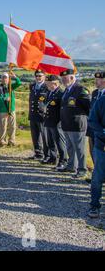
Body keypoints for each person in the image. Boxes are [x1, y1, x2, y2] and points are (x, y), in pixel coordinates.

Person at [60, 70, 91, 179]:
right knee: (70, 147)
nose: (63, 80)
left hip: (77, 125)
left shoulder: (80, 89)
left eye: (65, 78)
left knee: (79, 149)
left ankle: (82, 169)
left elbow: (88, 107)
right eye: (62, 79)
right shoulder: (66, 90)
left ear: (72, 78)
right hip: (67, 124)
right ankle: (71, 166)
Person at [41, 75, 68, 169]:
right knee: (50, 142)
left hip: (57, 122)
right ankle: (52, 158)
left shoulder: (60, 93)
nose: (47, 85)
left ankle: (63, 161)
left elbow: (62, 109)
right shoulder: (50, 92)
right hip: (48, 120)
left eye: (49, 84)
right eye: (46, 83)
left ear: (55, 84)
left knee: (60, 143)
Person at [88, 79, 105, 218]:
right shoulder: (101, 101)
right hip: (102, 146)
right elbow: (92, 121)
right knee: (98, 177)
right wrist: (103, 132)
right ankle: (94, 205)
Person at [0, 71, 22, 147]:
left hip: (11, 109)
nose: (4, 79)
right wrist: (4, 98)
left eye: (6, 78)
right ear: (1, 79)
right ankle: (2, 141)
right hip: (2, 110)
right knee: (2, 126)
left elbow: (19, 83)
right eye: (3, 77)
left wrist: (15, 76)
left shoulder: (11, 86)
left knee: (12, 126)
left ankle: (12, 141)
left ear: (9, 79)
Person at [29, 70, 49, 161]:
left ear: (44, 76)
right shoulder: (32, 86)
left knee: (44, 137)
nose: (38, 77)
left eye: (40, 76)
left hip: (42, 116)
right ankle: (38, 153)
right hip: (33, 115)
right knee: (35, 136)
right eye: (37, 75)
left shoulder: (47, 87)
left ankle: (47, 155)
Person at [87, 71, 105, 166]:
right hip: (92, 129)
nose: (96, 82)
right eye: (95, 79)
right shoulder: (94, 93)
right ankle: (95, 174)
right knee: (93, 151)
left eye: (98, 80)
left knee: (101, 154)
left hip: (101, 130)